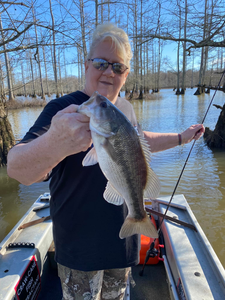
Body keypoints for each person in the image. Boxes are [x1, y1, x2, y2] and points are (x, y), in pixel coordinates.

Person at [7, 23, 205, 300]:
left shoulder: (122, 108)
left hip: (123, 241)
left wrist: (181, 137)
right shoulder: (61, 110)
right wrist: (55, 141)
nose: (109, 72)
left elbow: (140, 141)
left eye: (118, 67)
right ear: (86, 65)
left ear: (126, 75)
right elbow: (17, 169)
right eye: (100, 63)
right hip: (79, 247)